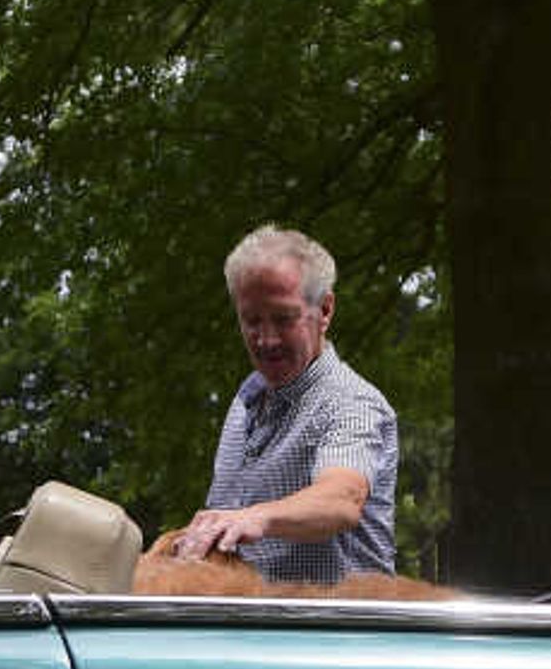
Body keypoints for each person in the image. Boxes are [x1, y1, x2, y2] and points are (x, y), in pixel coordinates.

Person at [170, 225, 399, 583]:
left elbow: (342, 500)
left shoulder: (352, 403)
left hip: (337, 633)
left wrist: (255, 517)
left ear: (325, 310)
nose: (266, 339)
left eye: (283, 318)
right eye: (251, 320)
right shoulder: (249, 396)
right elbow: (224, 528)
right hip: (252, 629)